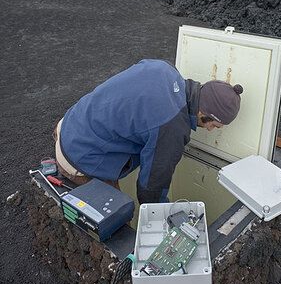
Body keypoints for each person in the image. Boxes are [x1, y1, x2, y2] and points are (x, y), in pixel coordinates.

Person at [54, 59, 243, 204]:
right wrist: (159, 216)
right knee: (118, 224)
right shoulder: (173, 127)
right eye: (214, 126)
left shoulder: (164, 68)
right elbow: (152, 186)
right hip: (79, 155)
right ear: (204, 114)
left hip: (71, 123)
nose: (210, 131)